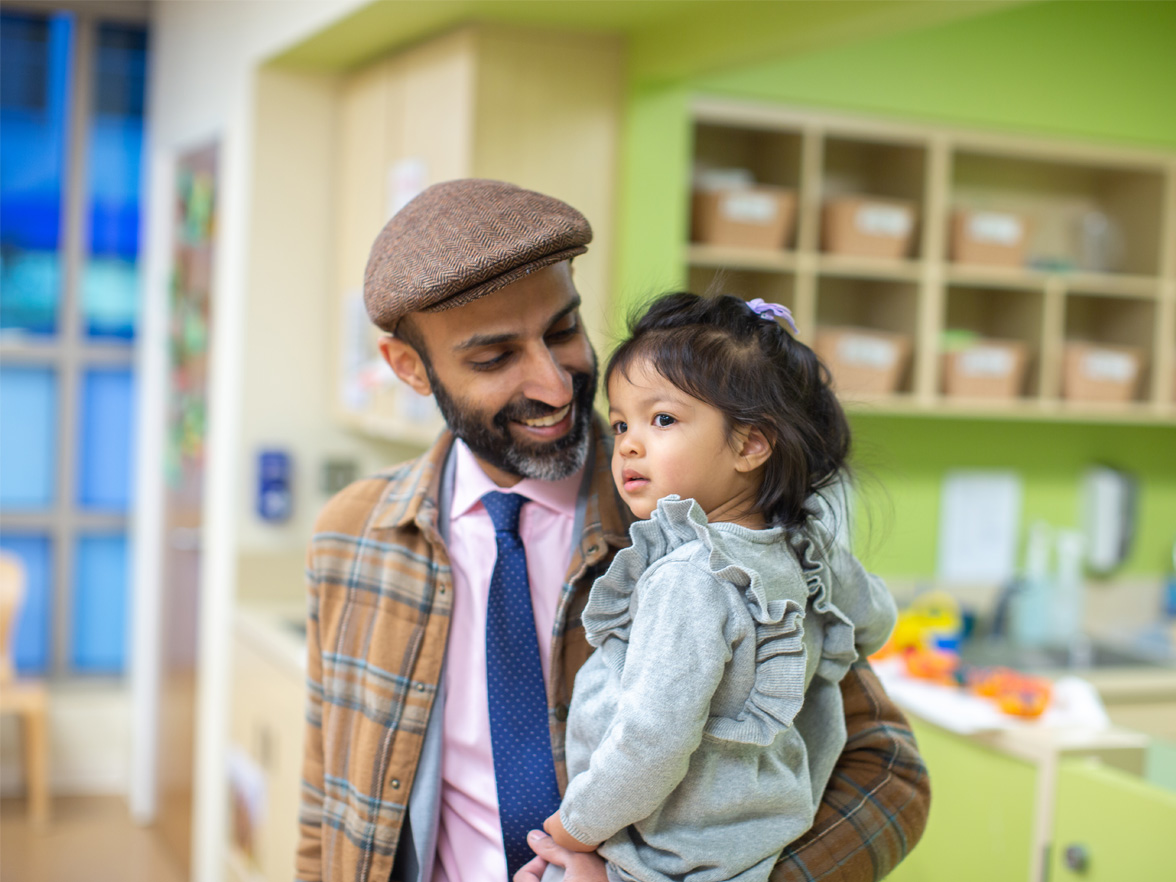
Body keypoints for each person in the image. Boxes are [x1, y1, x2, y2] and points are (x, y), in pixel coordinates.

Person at [295, 179, 930, 882]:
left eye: (562, 330)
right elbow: (325, 807)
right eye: (495, 357)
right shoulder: (352, 537)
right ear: (410, 368)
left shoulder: (709, 526)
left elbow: (890, 773)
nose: (557, 384)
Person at [537, 292, 897, 882]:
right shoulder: (807, 546)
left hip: (666, 857)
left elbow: (651, 740)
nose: (626, 442)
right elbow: (876, 620)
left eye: (663, 420)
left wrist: (575, 828)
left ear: (750, 444)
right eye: (622, 421)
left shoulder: (691, 579)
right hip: (759, 838)